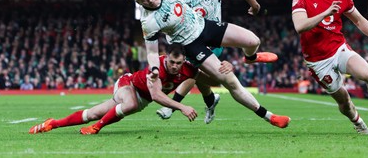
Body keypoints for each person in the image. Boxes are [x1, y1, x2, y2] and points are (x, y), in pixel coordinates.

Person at [128, 0, 291, 129]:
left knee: (253, 40)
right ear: (138, 2)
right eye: (144, 0)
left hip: (204, 25)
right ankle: (269, 116)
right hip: (191, 44)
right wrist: (153, 69)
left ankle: (250, 58)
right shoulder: (148, 21)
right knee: (230, 81)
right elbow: (152, 52)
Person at [28, 44, 231, 135]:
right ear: (166, 57)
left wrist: (225, 68)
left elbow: (213, 79)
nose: (175, 66)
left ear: (182, 61)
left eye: (178, 63)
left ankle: (52, 124)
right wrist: (181, 107)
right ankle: (97, 128)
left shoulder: (188, 69)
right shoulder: (158, 67)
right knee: (130, 103)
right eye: (171, 61)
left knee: (92, 113)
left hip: (141, 99)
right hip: (129, 84)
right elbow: (157, 95)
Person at [157, 0, 264, 124]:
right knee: (200, 78)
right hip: (193, 41)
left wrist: (254, 5)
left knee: (192, 69)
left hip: (213, 39)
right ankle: (210, 101)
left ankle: (171, 106)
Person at [291, 0, 368, 135]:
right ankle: (357, 122)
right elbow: (300, 27)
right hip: (317, 61)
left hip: (339, 49)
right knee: (344, 101)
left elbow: (360, 21)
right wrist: (326, 12)